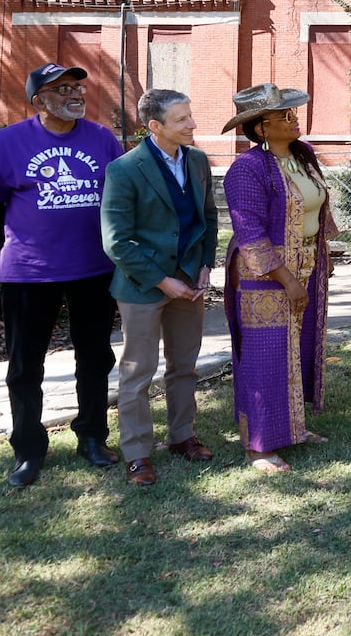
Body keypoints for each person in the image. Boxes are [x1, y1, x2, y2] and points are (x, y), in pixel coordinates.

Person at [0, 62, 124, 488]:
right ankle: (28, 450)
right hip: (28, 275)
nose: (75, 94)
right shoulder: (8, 142)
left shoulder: (101, 139)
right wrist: (7, 252)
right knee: (25, 366)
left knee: (94, 358)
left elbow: (121, 195)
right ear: (38, 100)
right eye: (62, 89)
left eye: (77, 87)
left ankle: (92, 437)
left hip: (93, 269)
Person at [100, 89, 220, 486]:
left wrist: (204, 266)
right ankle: (137, 453)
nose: (193, 125)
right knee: (138, 373)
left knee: (184, 366)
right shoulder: (124, 169)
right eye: (182, 119)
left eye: (191, 116)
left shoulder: (199, 161)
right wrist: (161, 280)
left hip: (190, 283)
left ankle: (183, 436)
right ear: (155, 126)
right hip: (142, 288)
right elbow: (116, 240)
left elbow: (207, 219)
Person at [221, 84, 338, 473]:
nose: (294, 119)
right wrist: (287, 279)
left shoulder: (303, 157)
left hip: (307, 266)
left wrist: (323, 253)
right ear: (260, 128)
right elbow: (250, 232)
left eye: (292, 113)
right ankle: (258, 447)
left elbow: (318, 209)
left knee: (297, 351)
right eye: (284, 116)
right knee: (265, 356)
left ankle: (293, 429)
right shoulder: (247, 169)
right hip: (264, 276)